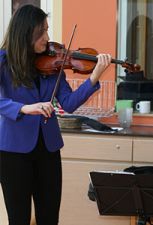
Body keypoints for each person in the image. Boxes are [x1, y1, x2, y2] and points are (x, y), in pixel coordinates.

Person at [0, 4, 111, 225]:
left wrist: (94, 77)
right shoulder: (3, 61)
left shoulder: (52, 64)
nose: (47, 37)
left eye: (47, 30)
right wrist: (24, 108)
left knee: (49, 218)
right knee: (18, 219)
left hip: (48, 149)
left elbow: (69, 103)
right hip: (13, 152)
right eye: (42, 32)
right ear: (26, 32)